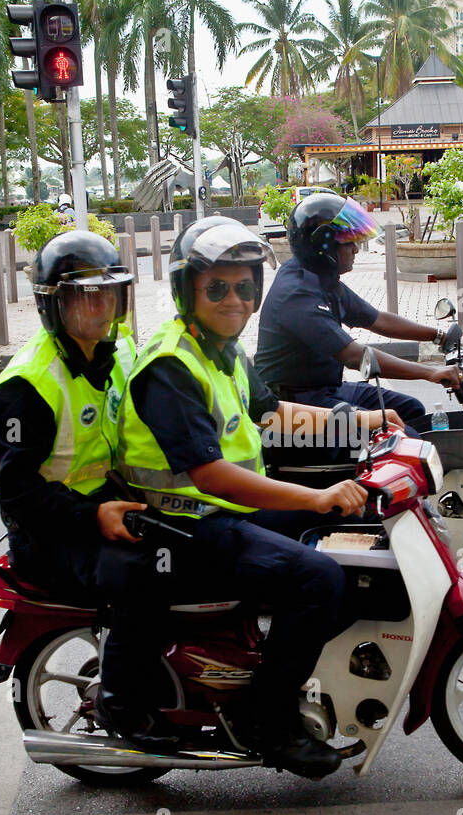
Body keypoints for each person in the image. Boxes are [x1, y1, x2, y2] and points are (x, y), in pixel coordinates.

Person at [115, 216, 401, 779]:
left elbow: (273, 415)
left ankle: (276, 663)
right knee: (319, 577)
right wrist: (314, 498)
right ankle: (266, 719)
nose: (234, 299)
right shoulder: (172, 364)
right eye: (216, 287)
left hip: (218, 515)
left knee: (357, 540)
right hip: (182, 527)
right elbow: (211, 475)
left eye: (244, 287)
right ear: (187, 291)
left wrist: (365, 421)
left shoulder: (222, 352)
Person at [0, 230, 146, 618]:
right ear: (53, 305)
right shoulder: (28, 386)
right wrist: (91, 516)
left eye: (109, 294)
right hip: (52, 534)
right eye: (87, 297)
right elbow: (17, 492)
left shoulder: (120, 349)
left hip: (113, 500)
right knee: (144, 580)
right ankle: (126, 679)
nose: (102, 308)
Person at [254, 194, 463, 438]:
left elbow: (377, 319)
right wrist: (430, 373)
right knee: (404, 439)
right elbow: (355, 356)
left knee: (411, 410)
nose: (355, 249)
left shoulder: (320, 277)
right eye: (348, 242)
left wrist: (439, 336)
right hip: (298, 404)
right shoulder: (296, 294)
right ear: (324, 245)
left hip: (327, 390)